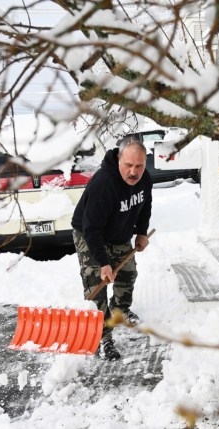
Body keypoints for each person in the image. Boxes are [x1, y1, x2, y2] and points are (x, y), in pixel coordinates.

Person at [71, 136, 152, 360]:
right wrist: (104, 263)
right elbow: (92, 229)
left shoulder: (144, 178)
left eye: (139, 166)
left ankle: (120, 311)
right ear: (119, 159)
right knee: (97, 284)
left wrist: (142, 232)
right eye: (128, 165)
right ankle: (103, 338)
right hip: (90, 234)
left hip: (118, 233)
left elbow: (145, 205)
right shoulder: (103, 184)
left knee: (128, 274)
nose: (134, 172)